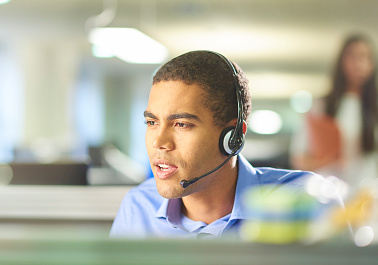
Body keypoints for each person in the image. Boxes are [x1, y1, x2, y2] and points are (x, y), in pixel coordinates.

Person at [109, 50, 323, 239]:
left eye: (182, 124)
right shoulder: (138, 208)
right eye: (152, 122)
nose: (159, 142)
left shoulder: (304, 201)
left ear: (233, 138)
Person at [290, 34, 378, 225]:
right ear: (341, 62)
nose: (360, 63)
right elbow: (299, 159)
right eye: (353, 56)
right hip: (327, 200)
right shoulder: (321, 106)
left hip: (367, 201)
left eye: (366, 57)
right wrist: (330, 158)